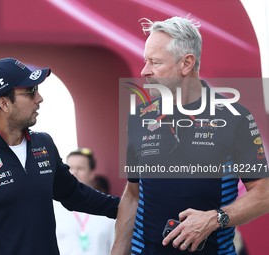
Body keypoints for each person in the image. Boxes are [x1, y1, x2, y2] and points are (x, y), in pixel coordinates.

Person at [111, 16, 269, 255]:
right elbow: (133, 195)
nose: (145, 71)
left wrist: (216, 219)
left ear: (186, 64)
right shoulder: (139, 117)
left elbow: (264, 193)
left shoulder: (235, 117)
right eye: (145, 61)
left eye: (155, 62)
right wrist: (118, 250)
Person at [0, 58, 120, 255]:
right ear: (4, 103)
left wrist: (129, 208)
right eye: (31, 91)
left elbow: (75, 195)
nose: (39, 98)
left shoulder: (44, 144)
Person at [54, 148, 115, 255]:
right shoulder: (52, 207)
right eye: (69, 168)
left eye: (80, 168)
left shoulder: (107, 206)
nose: (73, 172)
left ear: (91, 173)